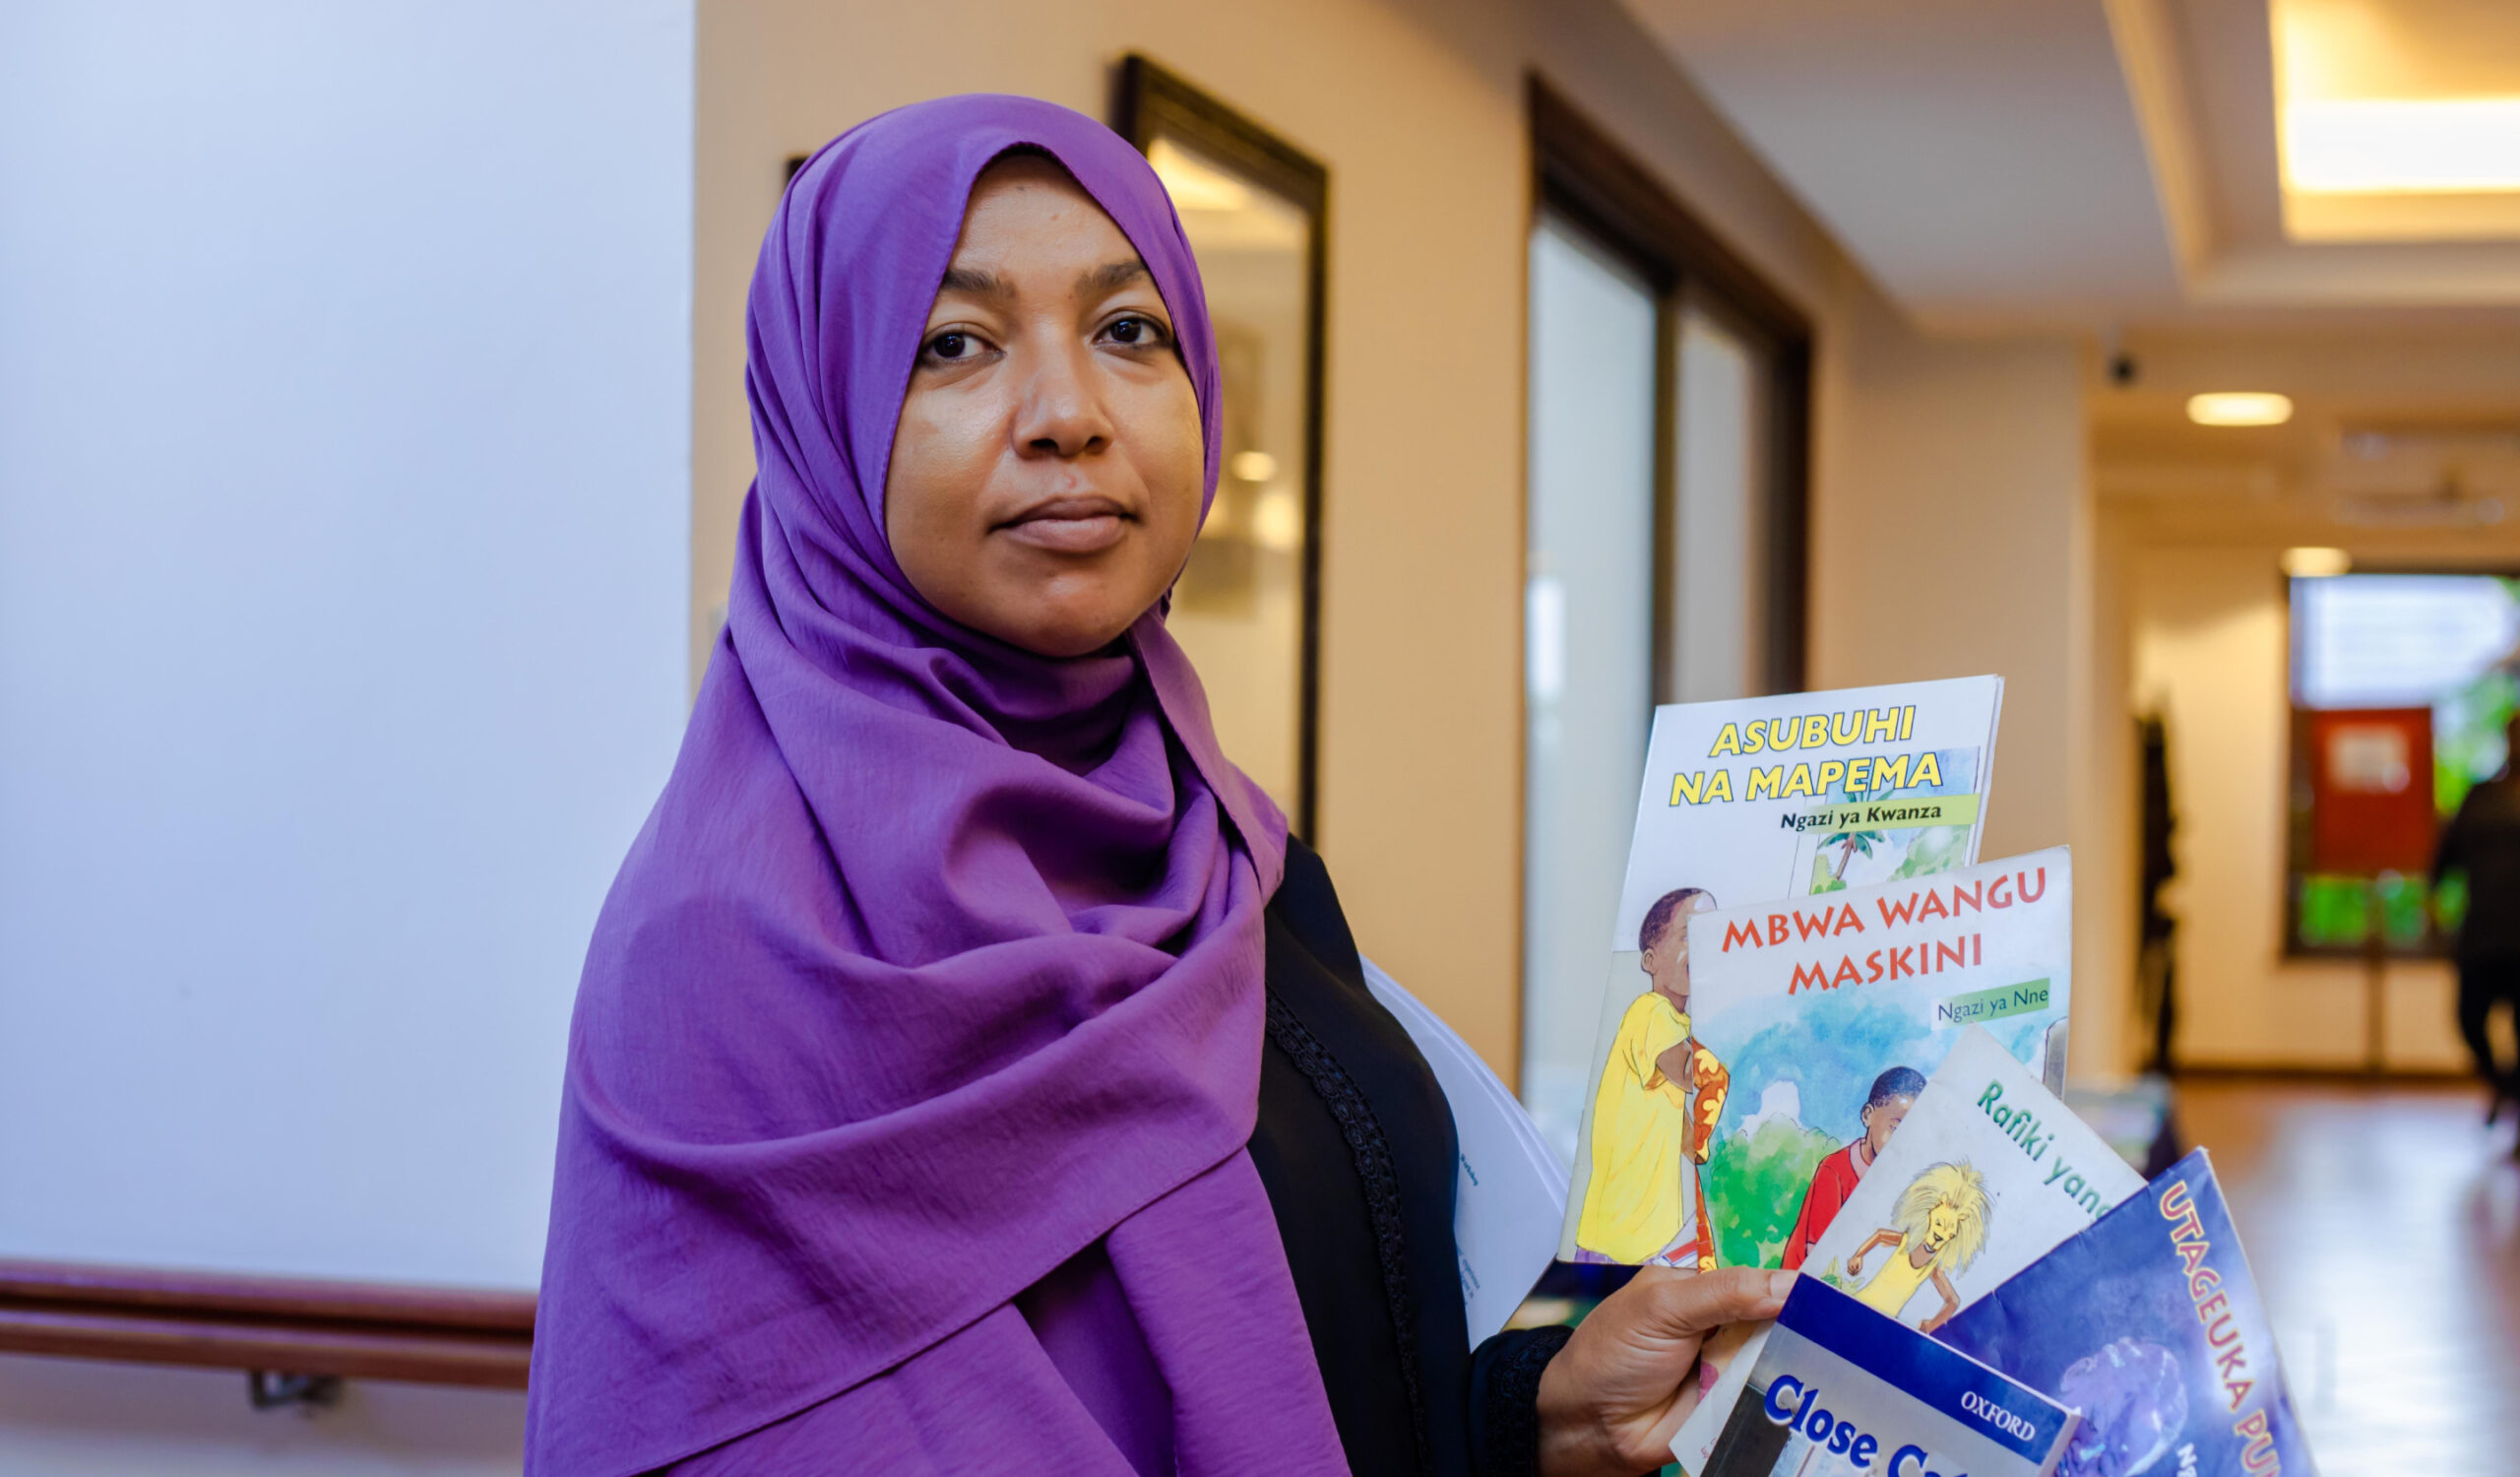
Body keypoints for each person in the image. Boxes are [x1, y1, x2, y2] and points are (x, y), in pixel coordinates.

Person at [523, 96, 1786, 1477]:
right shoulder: (731, 952)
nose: (1069, 414)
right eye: (955, 344)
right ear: (823, 421)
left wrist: (1527, 1419)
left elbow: (1337, 1351)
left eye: (1130, 332)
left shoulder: (1235, 853)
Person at [1573, 887, 1731, 1268]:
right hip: (1621, 1238)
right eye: (1689, 934)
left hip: (1650, 1237)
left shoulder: (1679, 1025)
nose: (1703, 946)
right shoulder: (1650, 1012)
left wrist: (1701, 1150)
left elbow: (1677, 1120)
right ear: (1650, 960)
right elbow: (1689, 1073)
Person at [2435, 711, 2520, 1127]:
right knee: (2470, 1021)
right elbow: (2444, 857)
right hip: (2484, 935)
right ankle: (2506, 1088)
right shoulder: (2481, 797)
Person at [1779, 1065, 1924, 1270]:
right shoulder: (1834, 1171)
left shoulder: (1900, 1181)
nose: (1901, 1142)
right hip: (1803, 1282)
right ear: (1868, 1116)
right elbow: (1817, 1254)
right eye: (1895, 1128)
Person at [1841, 1160, 1989, 1333]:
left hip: (1881, 1322)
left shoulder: (1933, 1269)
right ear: (1930, 1216)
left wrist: (1931, 1325)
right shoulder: (1907, 1242)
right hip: (1861, 1303)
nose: (1942, 1232)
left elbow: (1953, 1301)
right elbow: (1881, 1234)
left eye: (1949, 1231)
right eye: (1940, 1223)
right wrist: (1858, 1255)